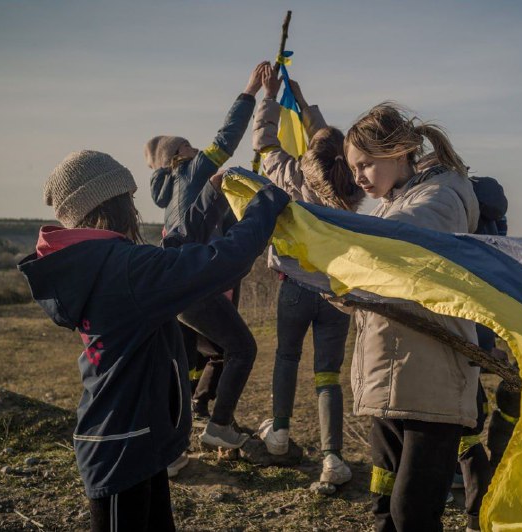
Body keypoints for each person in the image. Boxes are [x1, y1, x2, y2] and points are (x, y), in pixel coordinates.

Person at [18, 150, 290, 531]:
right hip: (119, 448)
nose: (135, 207)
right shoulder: (123, 269)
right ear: (112, 204)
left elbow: (170, 254)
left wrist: (210, 197)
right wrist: (266, 203)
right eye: (128, 198)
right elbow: (221, 261)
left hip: (136, 439)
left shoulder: (103, 264)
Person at [344, 103, 481, 531]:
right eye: (353, 169)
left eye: (365, 164)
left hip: (431, 383)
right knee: (385, 509)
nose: (359, 177)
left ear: (398, 151)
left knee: (413, 514)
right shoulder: (392, 203)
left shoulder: (441, 198)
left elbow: (399, 243)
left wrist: (327, 238)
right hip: (391, 377)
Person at [145, 62, 270, 450]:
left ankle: (181, 426)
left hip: (176, 283)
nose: (201, 148)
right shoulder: (192, 169)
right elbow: (228, 135)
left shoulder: (172, 196)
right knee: (241, 348)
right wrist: (250, 90)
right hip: (195, 278)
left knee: (201, 355)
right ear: (181, 151)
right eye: (192, 145)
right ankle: (219, 426)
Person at [252, 65, 364, 487]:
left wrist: (272, 98)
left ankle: (279, 434)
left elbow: (264, 141)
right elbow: (327, 144)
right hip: (336, 295)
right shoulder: (352, 189)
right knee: (327, 375)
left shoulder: (292, 175)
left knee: (286, 357)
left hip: (294, 289)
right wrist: (304, 105)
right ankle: (332, 457)